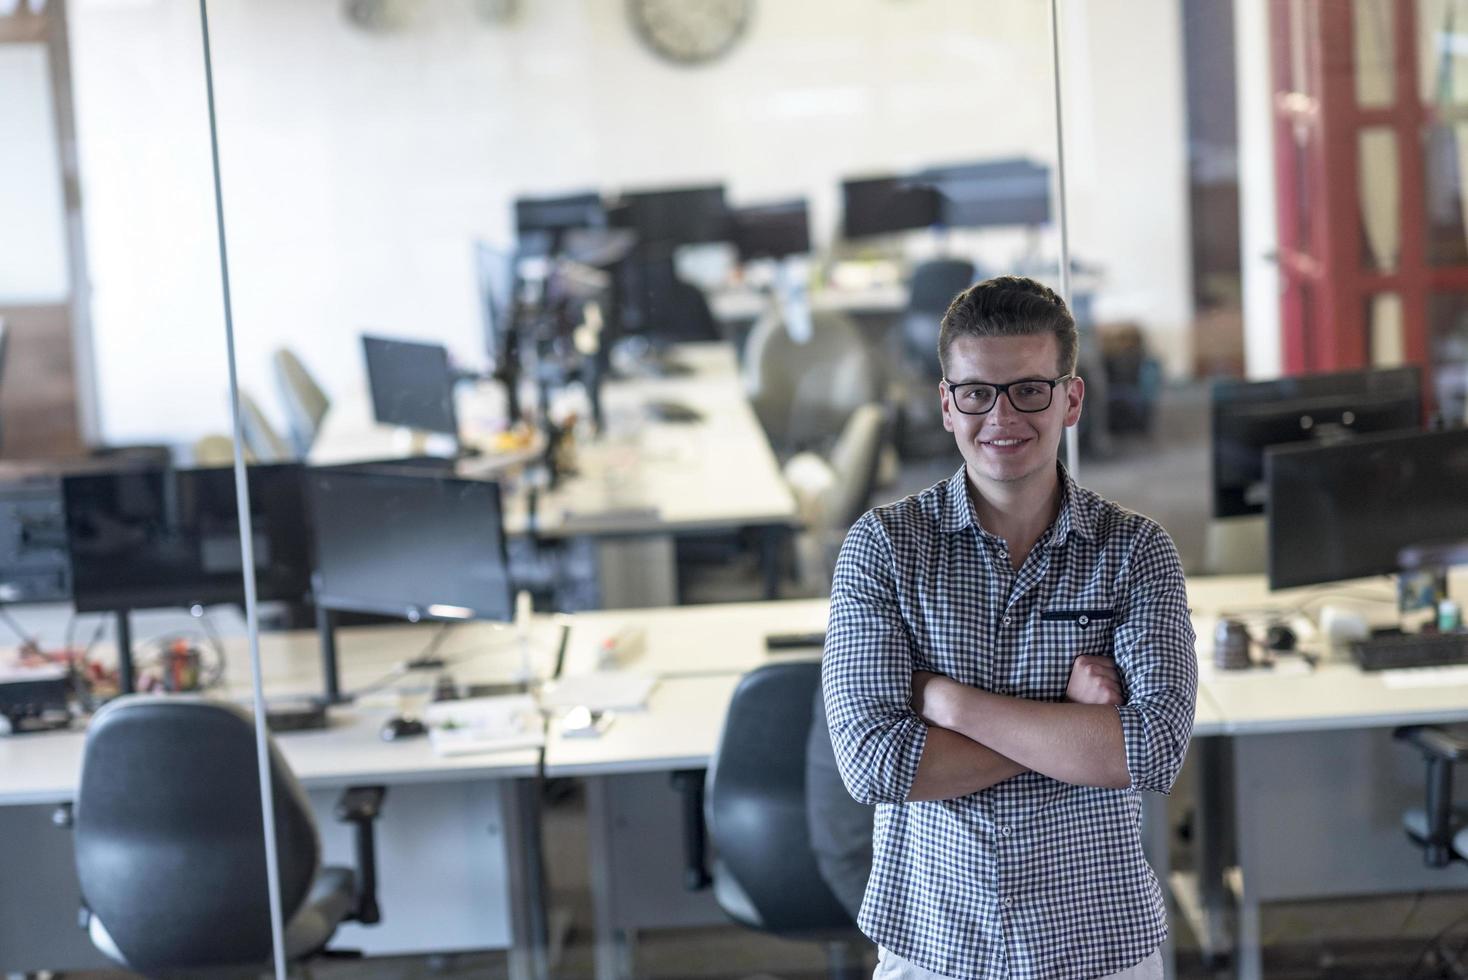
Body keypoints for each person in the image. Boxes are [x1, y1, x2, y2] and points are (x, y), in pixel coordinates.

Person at [821, 275, 1197, 980]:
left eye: (1029, 389)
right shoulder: (884, 549)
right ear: (946, 403)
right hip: (934, 944)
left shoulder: (1136, 551)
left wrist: (954, 707)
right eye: (976, 393)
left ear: (1071, 399)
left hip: (1099, 945)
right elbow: (872, 764)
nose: (1002, 416)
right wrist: (1073, 724)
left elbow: (1151, 752)